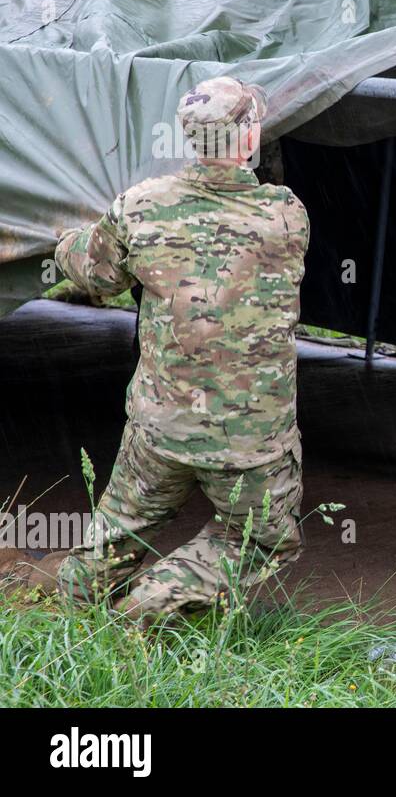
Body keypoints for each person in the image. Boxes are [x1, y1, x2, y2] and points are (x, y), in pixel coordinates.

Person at [55, 76, 310, 621]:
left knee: (120, 530)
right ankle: (149, 604)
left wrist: (65, 237)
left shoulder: (141, 206)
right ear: (246, 140)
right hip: (251, 439)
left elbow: (95, 274)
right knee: (263, 543)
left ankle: (66, 620)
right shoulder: (286, 215)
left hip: (161, 422)